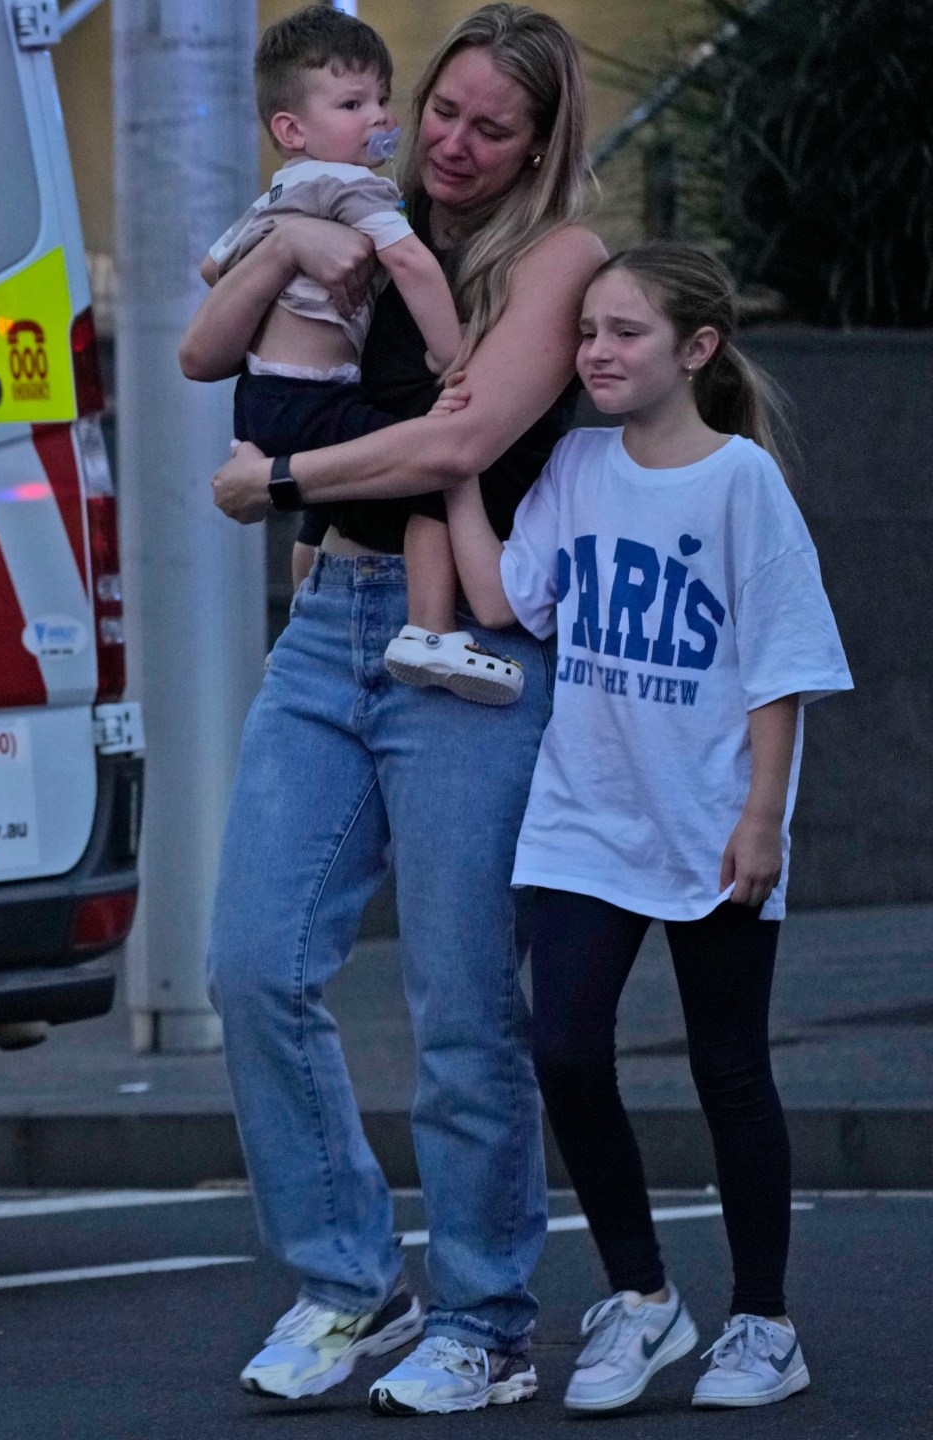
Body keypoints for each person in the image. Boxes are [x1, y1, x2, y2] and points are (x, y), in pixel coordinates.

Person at [181, 4, 607, 1416]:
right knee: (250, 959)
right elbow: (214, 347)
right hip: (334, 622)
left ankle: (486, 1319)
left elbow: (471, 432)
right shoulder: (359, 203)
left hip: (473, 646)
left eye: (493, 127)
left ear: (543, 142)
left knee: (462, 1003)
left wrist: (287, 485)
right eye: (443, 112)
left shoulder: (560, 255)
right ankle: (350, 1282)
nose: (456, 143)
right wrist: (283, 251)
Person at [439, 243, 847, 1414]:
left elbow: (785, 670)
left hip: (712, 820)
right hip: (585, 816)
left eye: (625, 334)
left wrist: (761, 820)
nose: (596, 354)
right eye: (588, 334)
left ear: (696, 350)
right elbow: (505, 603)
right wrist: (459, 472)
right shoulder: (572, 464)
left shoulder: (740, 484)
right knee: (562, 1051)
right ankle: (640, 1294)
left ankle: (765, 1325)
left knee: (729, 1072)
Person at [203, 5, 512, 704]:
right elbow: (415, 268)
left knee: (329, 502)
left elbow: (212, 270)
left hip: (261, 395)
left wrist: (284, 257)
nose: (377, 117)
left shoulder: (280, 191)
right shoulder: (357, 188)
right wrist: (454, 358)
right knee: (432, 463)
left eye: (381, 98)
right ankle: (431, 631)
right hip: (313, 393)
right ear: (292, 129)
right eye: (351, 103)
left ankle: (305, 609)